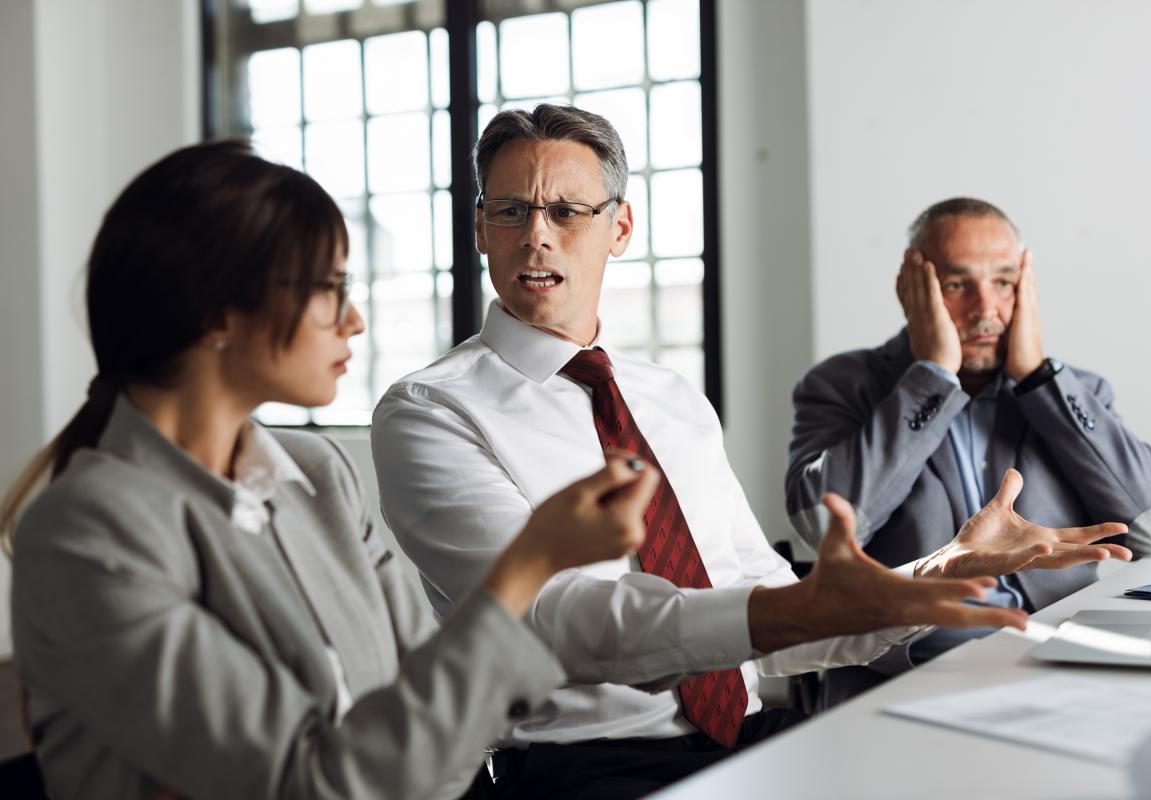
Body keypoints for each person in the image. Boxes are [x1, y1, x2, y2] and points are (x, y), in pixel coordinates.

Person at [371, 106, 1130, 798]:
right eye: (511, 211)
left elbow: (772, 605)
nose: (538, 234)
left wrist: (938, 570)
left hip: (746, 736)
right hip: (584, 765)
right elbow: (554, 619)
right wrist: (787, 609)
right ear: (479, 229)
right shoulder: (432, 411)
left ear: (621, 227)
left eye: (567, 210)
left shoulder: (670, 400)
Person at [0, 140, 666, 800]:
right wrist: (529, 563)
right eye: (327, 290)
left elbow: (438, 758)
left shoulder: (319, 477)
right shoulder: (84, 533)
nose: (353, 321)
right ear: (215, 314)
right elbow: (323, 785)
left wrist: (402, 739)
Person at [785, 197, 1151, 709]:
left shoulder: (1074, 393)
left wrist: (1039, 378)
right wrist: (932, 375)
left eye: (1003, 283)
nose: (985, 309)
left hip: (1064, 667)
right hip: (903, 680)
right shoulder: (842, 385)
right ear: (911, 290)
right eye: (957, 285)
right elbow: (823, 528)